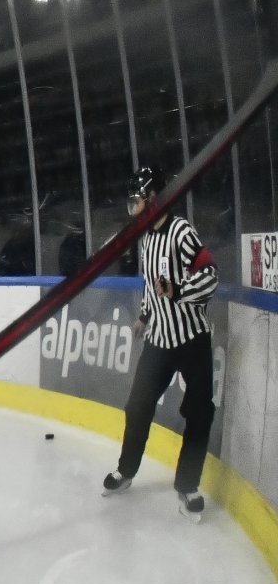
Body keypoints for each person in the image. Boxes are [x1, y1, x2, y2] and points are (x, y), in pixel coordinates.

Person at [104, 164, 219, 519]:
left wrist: (179, 290)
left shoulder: (181, 232)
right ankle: (127, 470)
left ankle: (187, 485)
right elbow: (151, 286)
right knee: (138, 406)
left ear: (155, 199)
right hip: (159, 339)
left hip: (192, 339)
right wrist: (145, 315)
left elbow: (210, 276)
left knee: (199, 412)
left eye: (137, 201)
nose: (133, 208)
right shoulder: (147, 239)